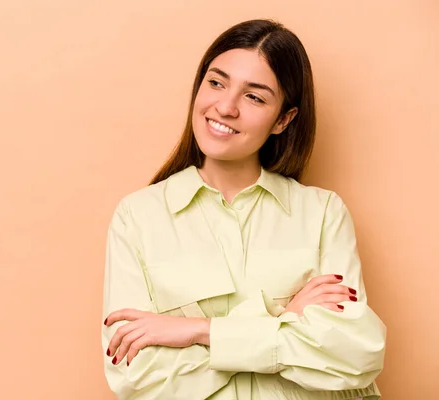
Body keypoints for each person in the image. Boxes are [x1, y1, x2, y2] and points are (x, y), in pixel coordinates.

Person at [100, 19, 386, 400]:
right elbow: (139, 376)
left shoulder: (322, 213)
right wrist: (284, 319)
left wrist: (199, 331)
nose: (225, 107)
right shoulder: (138, 217)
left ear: (283, 119)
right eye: (216, 83)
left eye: (254, 97)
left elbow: (355, 355)